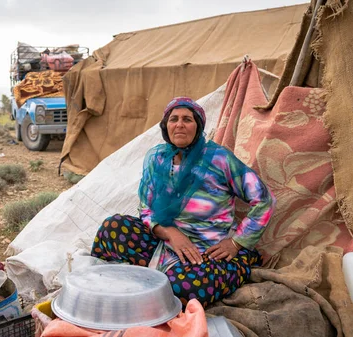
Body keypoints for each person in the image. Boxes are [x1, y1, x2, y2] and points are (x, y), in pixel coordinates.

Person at [91, 97, 275, 307]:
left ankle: (229, 268)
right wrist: (171, 233)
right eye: (173, 119)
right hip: (165, 242)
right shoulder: (157, 159)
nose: (179, 124)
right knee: (112, 227)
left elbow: (264, 200)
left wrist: (235, 243)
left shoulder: (219, 159)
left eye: (187, 119)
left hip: (206, 252)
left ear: (198, 126)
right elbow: (146, 208)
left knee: (177, 289)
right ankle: (147, 276)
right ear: (165, 126)